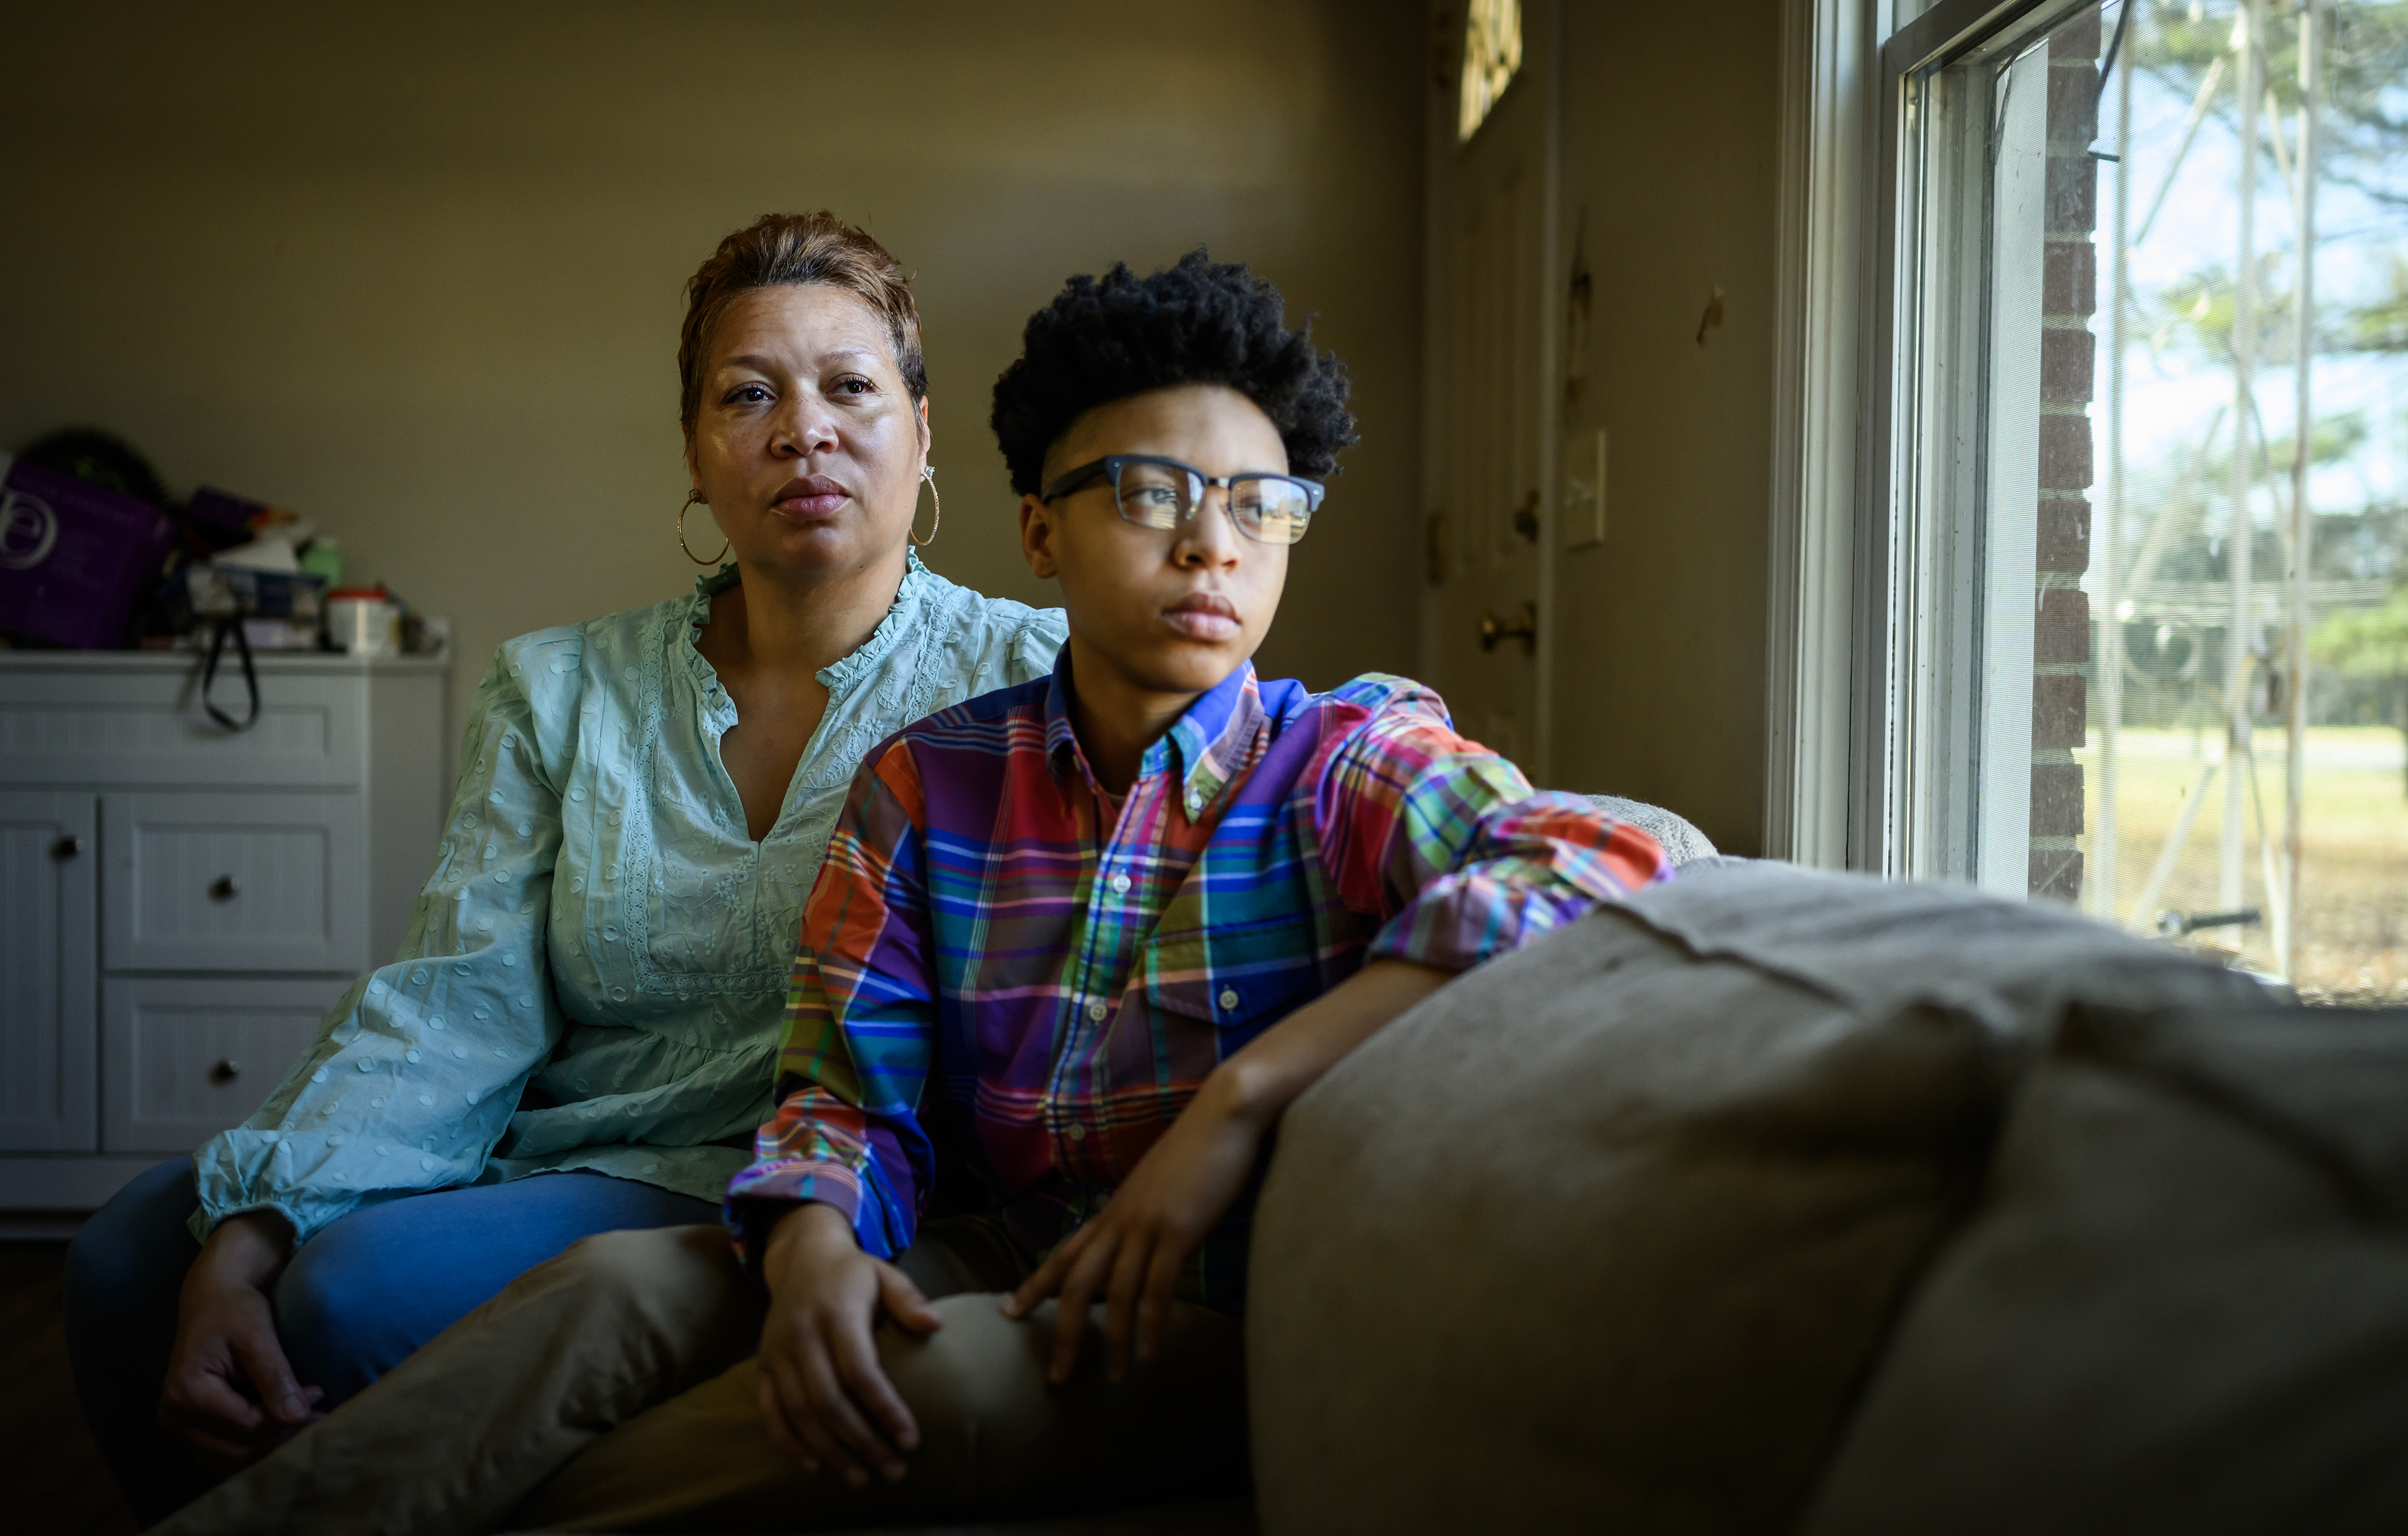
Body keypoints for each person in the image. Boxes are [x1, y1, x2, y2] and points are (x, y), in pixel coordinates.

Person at [150, 250, 1667, 1536]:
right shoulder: (932, 780)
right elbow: (846, 1085)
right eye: (1151, 492)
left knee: (906, 1390)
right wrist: (813, 1236)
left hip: (1186, 1305)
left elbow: (1612, 851)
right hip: (975, 1239)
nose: (1211, 538)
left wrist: (1248, 1100)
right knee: (618, 1287)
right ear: (1041, 530)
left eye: (1259, 504)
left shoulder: (1342, 757)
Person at [63, 211, 1067, 1527]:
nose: (801, 430)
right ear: (697, 454)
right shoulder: (561, 686)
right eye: (747, 393)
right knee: (129, 1259)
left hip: (786, 1176)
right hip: (542, 1136)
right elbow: (455, 994)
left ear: (923, 431)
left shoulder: (1028, 675)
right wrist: (251, 1225)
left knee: (341, 1292)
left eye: (849, 387)